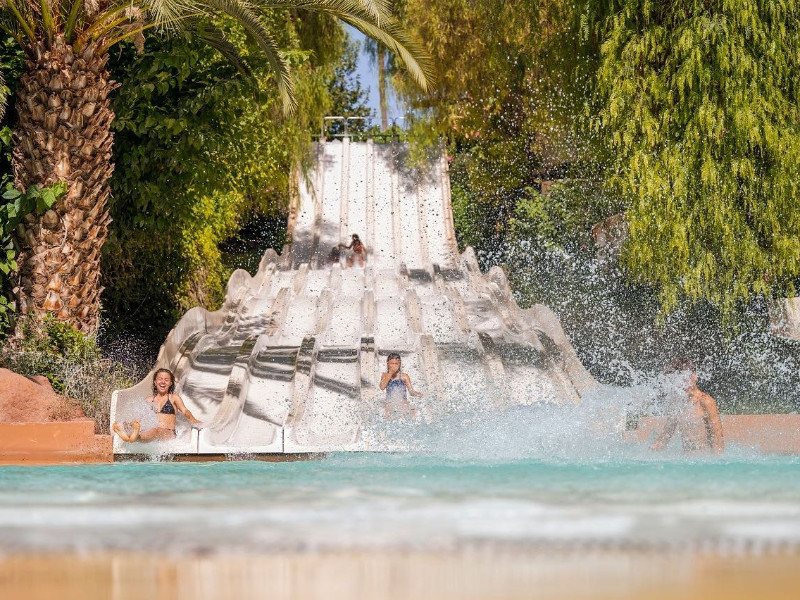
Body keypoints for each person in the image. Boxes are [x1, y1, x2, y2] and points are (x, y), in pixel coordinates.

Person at [650, 358, 724, 454]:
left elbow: (717, 439)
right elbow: (664, 437)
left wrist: (717, 466)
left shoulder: (705, 401)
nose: (684, 381)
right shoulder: (678, 403)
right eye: (679, 378)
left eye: (688, 377)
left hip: (703, 462)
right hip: (686, 462)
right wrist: (645, 456)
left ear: (695, 376)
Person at [113, 368, 202, 443]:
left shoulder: (173, 398)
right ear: (155, 382)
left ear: (170, 383)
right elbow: (139, 418)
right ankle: (128, 433)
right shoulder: (149, 400)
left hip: (168, 433)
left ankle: (133, 437)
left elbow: (185, 411)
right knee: (146, 429)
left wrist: (193, 420)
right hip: (151, 432)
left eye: (166, 380)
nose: (163, 382)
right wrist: (131, 423)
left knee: (156, 430)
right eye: (160, 379)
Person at [379, 353, 423, 419]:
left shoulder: (404, 376)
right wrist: (390, 373)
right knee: (387, 408)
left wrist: (418, 394)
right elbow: (382, 387)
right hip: (390, 403)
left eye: (396, 364)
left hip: (402, 403)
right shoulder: (385, 375)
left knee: (412, 409)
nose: (394, 366)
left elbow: (411, 392)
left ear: (400, 364)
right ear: (387, 364)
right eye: (391, 364)